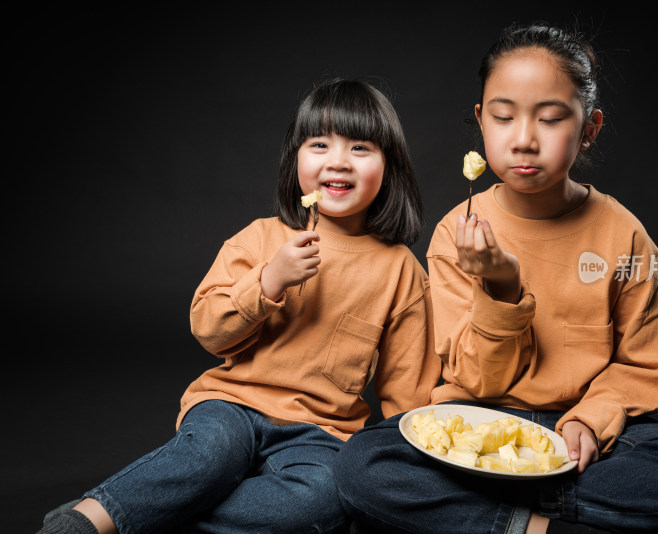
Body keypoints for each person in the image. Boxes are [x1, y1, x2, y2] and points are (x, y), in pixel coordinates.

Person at [334, 22, 658, 534]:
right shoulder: (456, 233)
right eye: (504, 117)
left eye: (549, 119)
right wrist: (500, 291)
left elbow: (652, 365)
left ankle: (489, 513)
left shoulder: (624, 234)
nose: (523, 140)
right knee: (363, 463)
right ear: (483, 122)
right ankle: (541, 524)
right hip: (480, 425)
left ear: (589, 128)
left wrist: (591, 419)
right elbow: (478, 381)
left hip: (581, 436)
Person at [37, 78, 442, 534]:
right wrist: (270, 280)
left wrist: (413, 460)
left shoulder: (401, 271)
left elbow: (409, 392)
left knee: (325, 502)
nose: (338, 162)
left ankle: (150, 514)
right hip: (233, 404)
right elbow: (210, 330)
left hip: (322, 432)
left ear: (390, 167)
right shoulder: (261, 237)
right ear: (296, 162)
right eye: (320, 144)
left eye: (361, 148)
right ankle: (85, 522)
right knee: (204, 458)